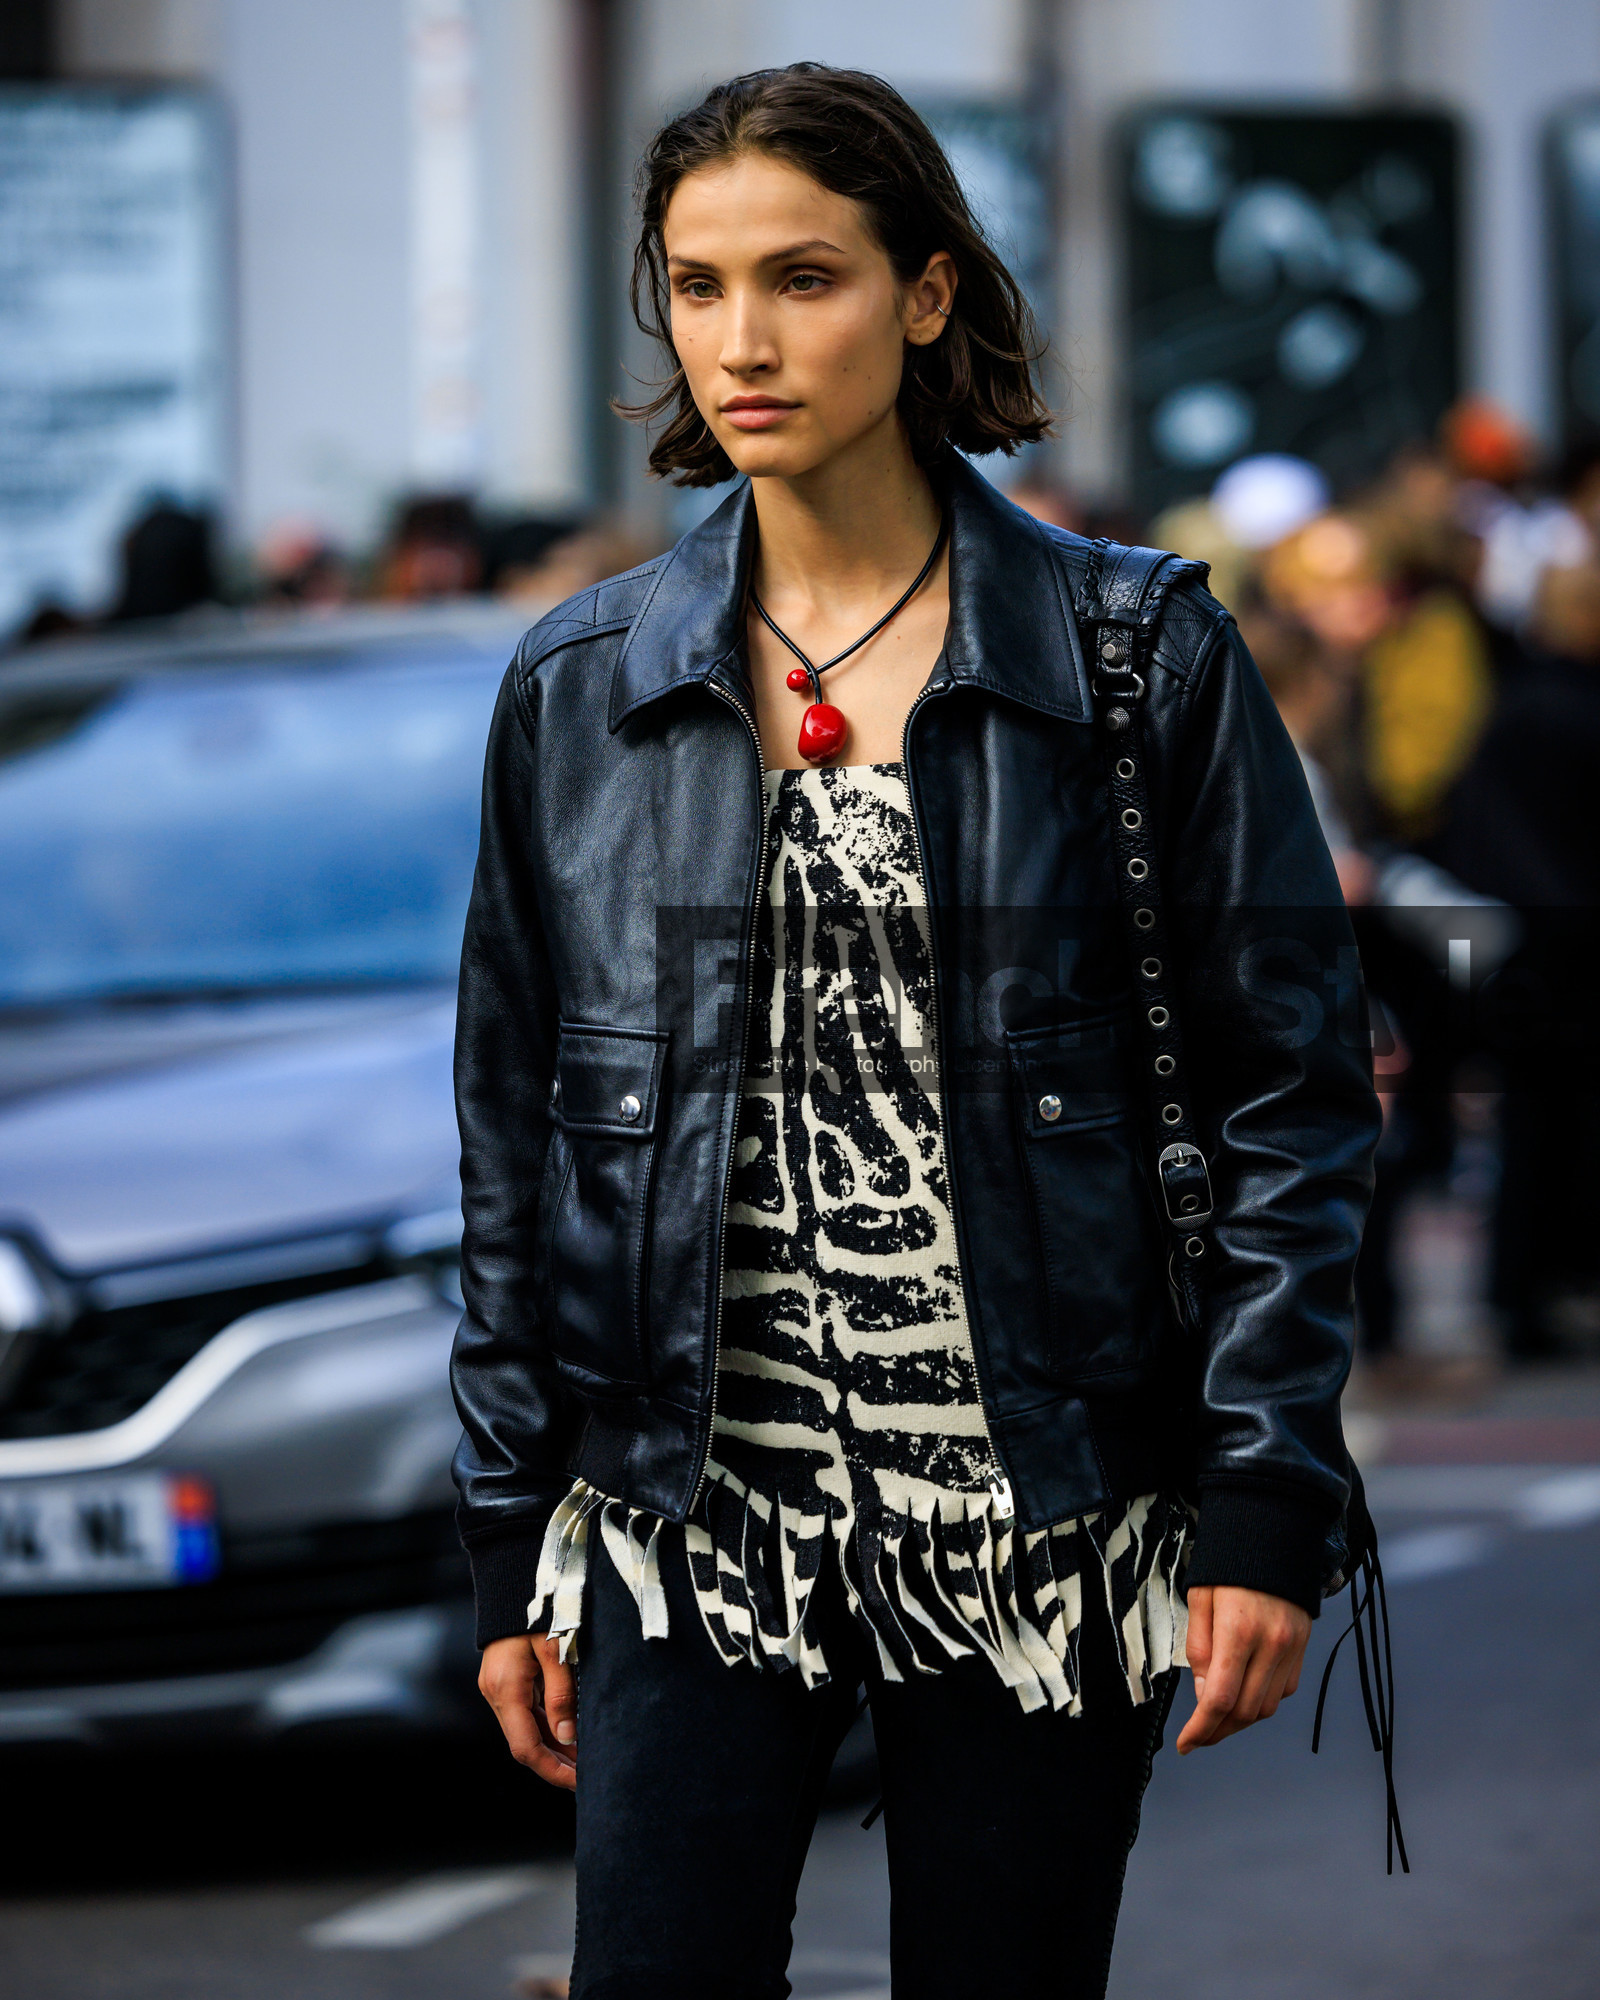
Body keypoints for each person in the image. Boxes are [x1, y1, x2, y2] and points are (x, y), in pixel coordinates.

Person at [449, 64, 1381, 1999]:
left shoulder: (1136, 657)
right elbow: (520, 1139)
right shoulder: (578, 689)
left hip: (1034, 1529)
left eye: (804, 277)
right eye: (696, 288)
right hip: (683, 1537)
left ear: (930, 293)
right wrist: (506, 1535)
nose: (743, 341)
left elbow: (1294, 1098)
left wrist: (1264, 1494)